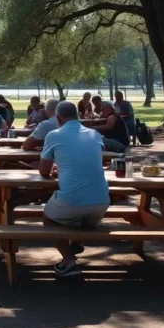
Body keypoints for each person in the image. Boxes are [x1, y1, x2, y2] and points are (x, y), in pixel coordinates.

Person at [39, 101, 109, 277]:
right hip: (101, 201)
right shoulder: (95, 134)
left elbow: (43, 172)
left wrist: (57, 168)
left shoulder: (54, 135)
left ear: (58, 118)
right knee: (79, 217)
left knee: (49, 219)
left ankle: (69, 261)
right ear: (78, 116)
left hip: (73, 199)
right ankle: (76, 244)